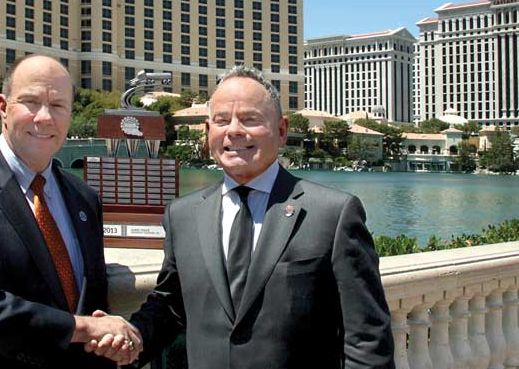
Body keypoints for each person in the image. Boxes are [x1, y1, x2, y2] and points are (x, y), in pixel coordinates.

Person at [89, 65, 394, 368]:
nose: (234, 130)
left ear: (282, 131)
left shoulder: (333, 214)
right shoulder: (182, 216)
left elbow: (367, 341)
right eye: (222, 120)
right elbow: (171, 305)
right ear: (208, 132)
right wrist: (132, 337)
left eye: (250, 119)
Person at [0, 54, 141, 369]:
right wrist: (84, 328)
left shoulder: (84, 198)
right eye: (31, 102)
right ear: (3, 107)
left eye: (58, 105)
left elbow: (91, 301)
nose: (44, 118)